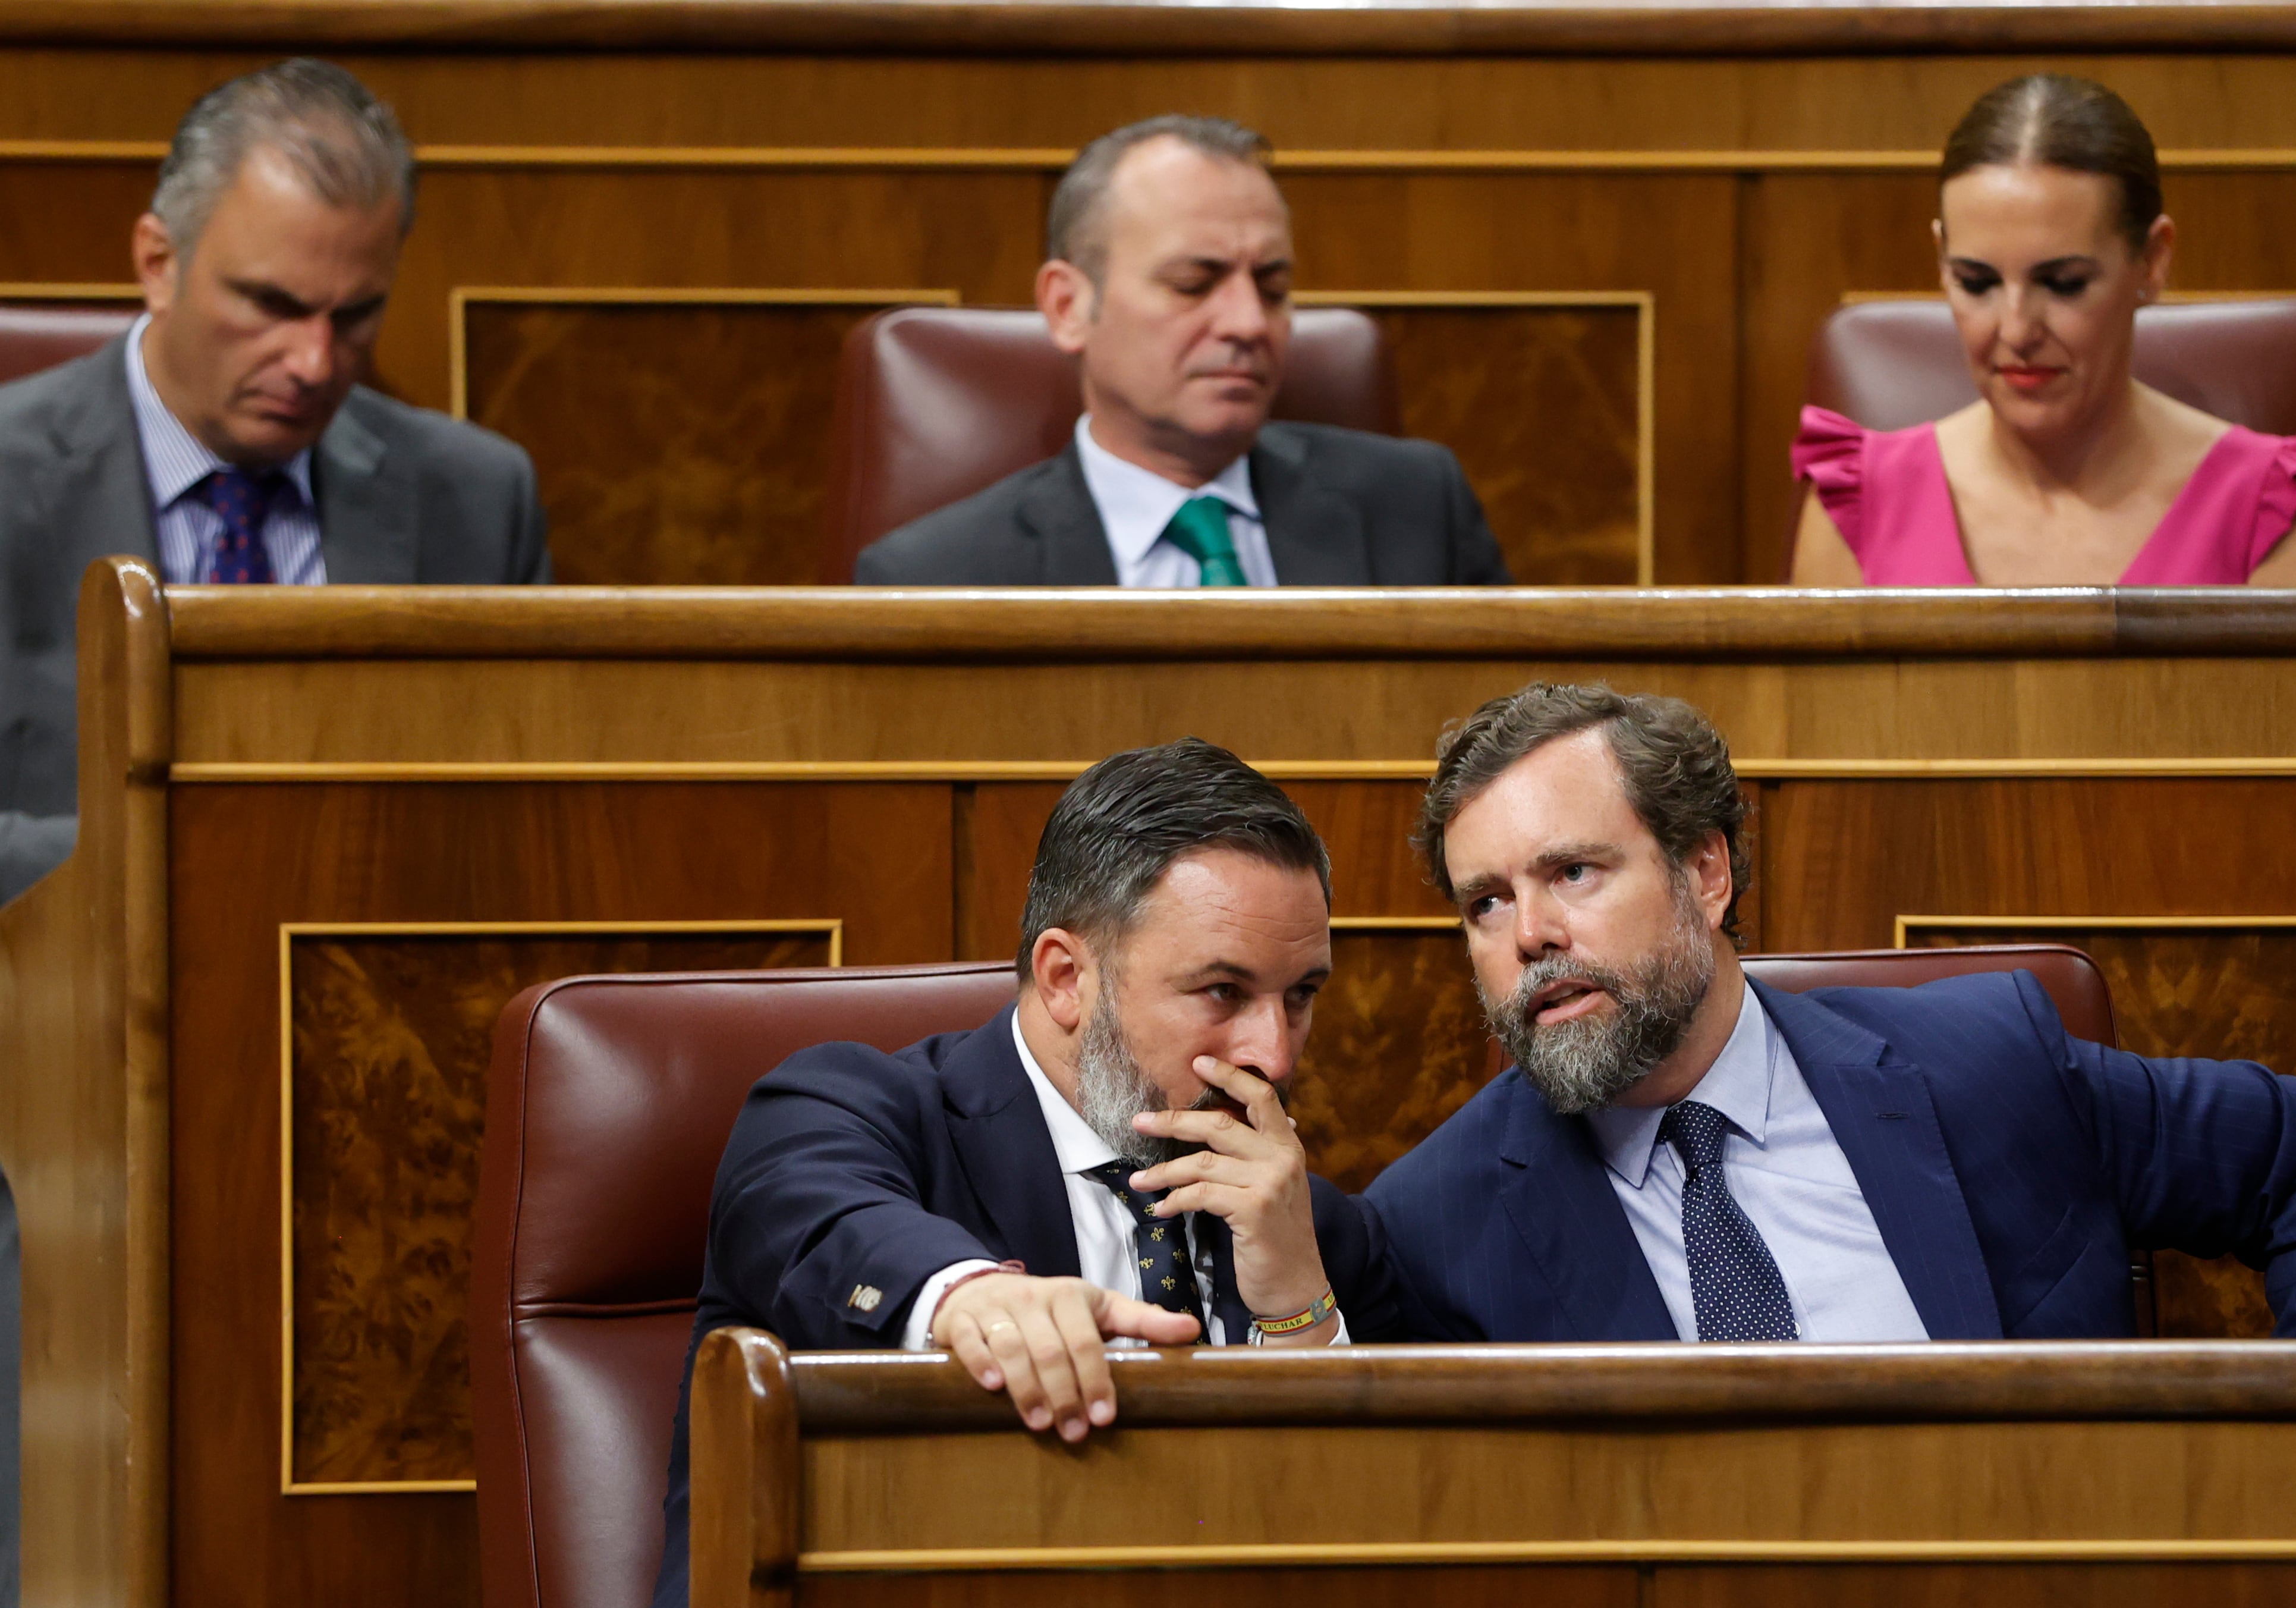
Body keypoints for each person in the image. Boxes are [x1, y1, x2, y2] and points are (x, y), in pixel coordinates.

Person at [1366, 681, 2296, 1343]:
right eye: (1485, 903)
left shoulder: (1987, 1065)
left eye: (1572, 872)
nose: (1529, 935)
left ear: (1704, 870)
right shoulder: (1435, 1221)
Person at [649, 738, 1399, 1607]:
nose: (1272, 1054)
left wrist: (1300, 1318)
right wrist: (973, 1300)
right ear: (1066, 977)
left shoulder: (1304, 1229)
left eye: (1301, 995)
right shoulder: (856, 1112)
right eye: (1223, 993)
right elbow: (814, 1214)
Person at [0, 57, 553, 906]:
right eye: (273, 304)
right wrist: (221, 856)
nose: (314, 362)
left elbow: (523, 832)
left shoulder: (476, 499)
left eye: (355, 314)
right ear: (158, 261)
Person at [853, 115, 1511, 587]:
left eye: (1272, 286)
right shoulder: (936, 577)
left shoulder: (1420, 509)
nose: (1248, 322)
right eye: (1193, 284)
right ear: (1068, 306)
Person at [1789, 74, 2296, 588]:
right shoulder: (1857, 503)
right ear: (1941, 258)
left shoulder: (2278, 511)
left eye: (2063, 283)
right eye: (1976, 281)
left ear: (2154, 260)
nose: (2016, 329)